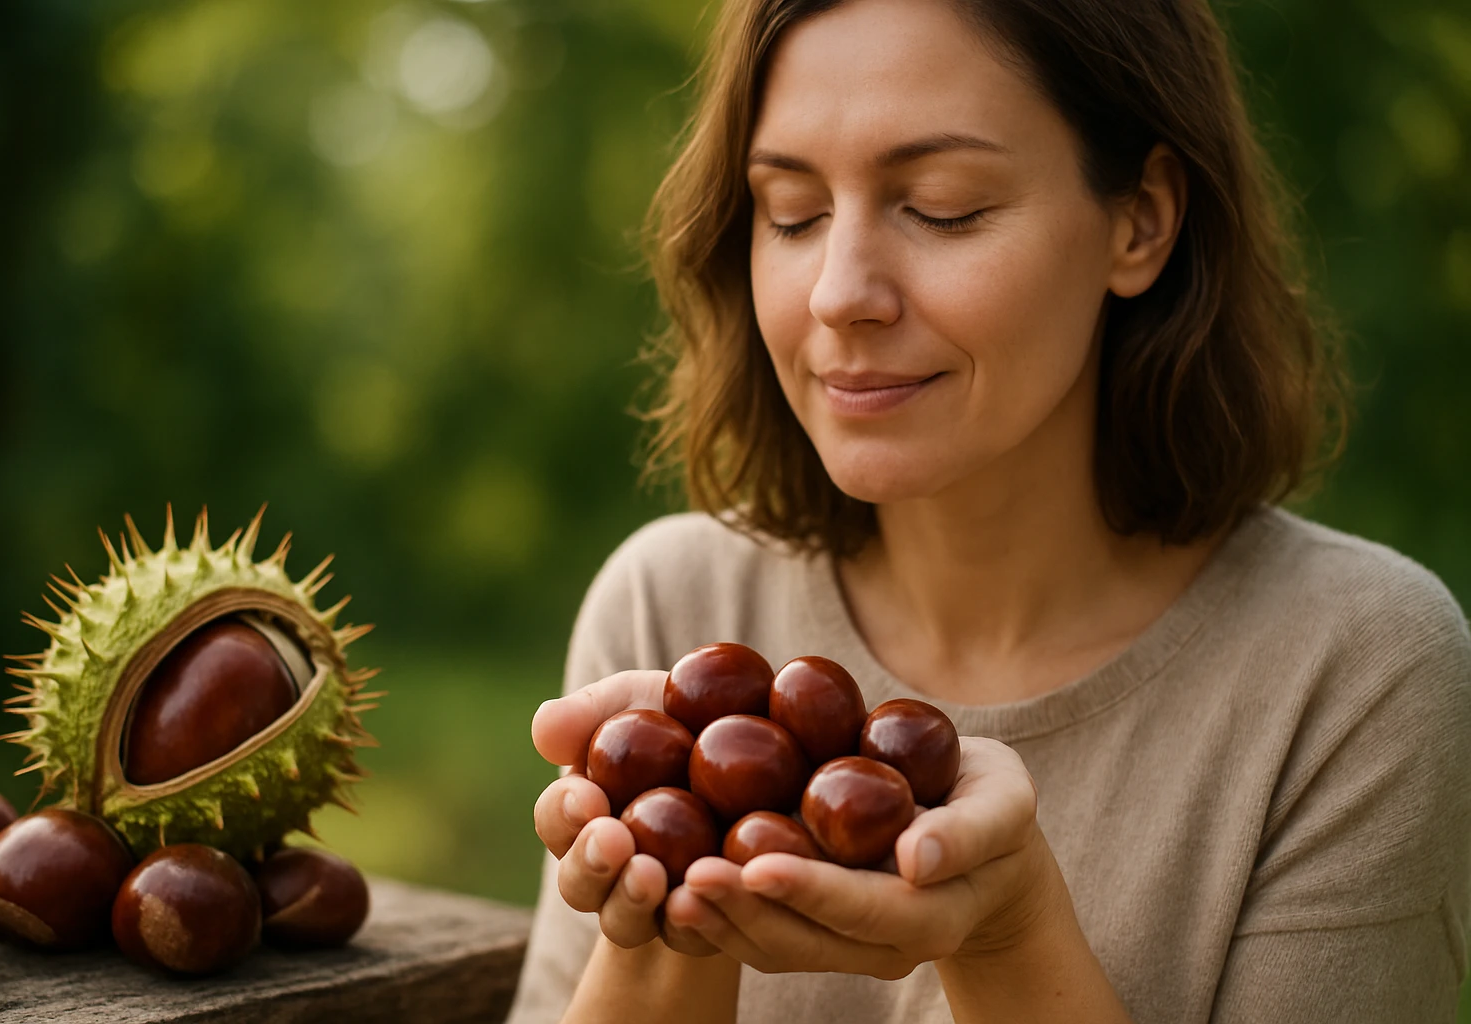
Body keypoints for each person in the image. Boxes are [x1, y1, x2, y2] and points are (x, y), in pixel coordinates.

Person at [506, 0, 1471, 1019]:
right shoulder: (672, 614)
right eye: (791, 212)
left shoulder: (1358, 672)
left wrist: (1008, 933)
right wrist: (678, 910)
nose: (841, 293)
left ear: (1140, 219)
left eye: (945, 205)